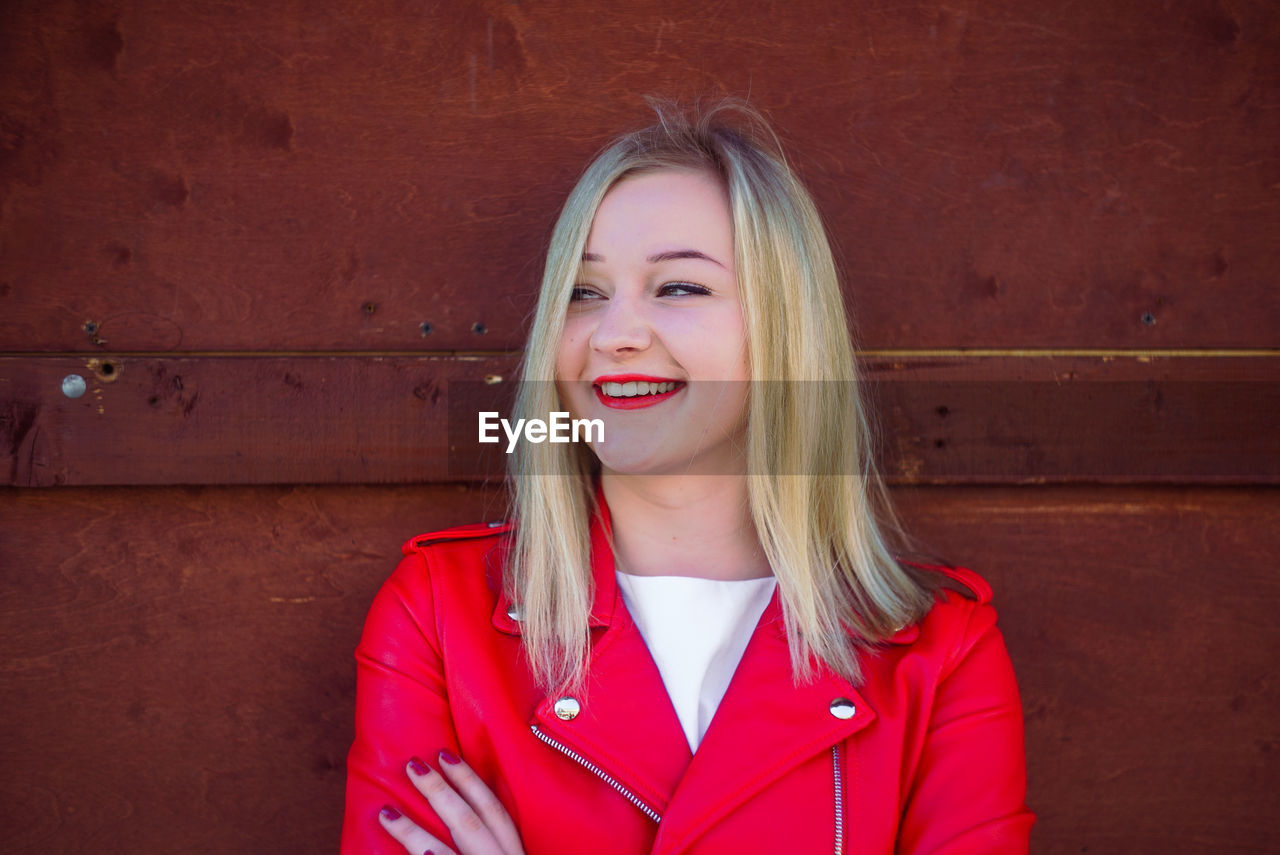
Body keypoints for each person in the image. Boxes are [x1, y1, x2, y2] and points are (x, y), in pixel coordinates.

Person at [342, 101, 1034, 854]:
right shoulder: (440, 616)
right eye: (584, 292)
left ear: (784, 331)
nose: (615, 334)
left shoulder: (941, 651)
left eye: (678, 287)